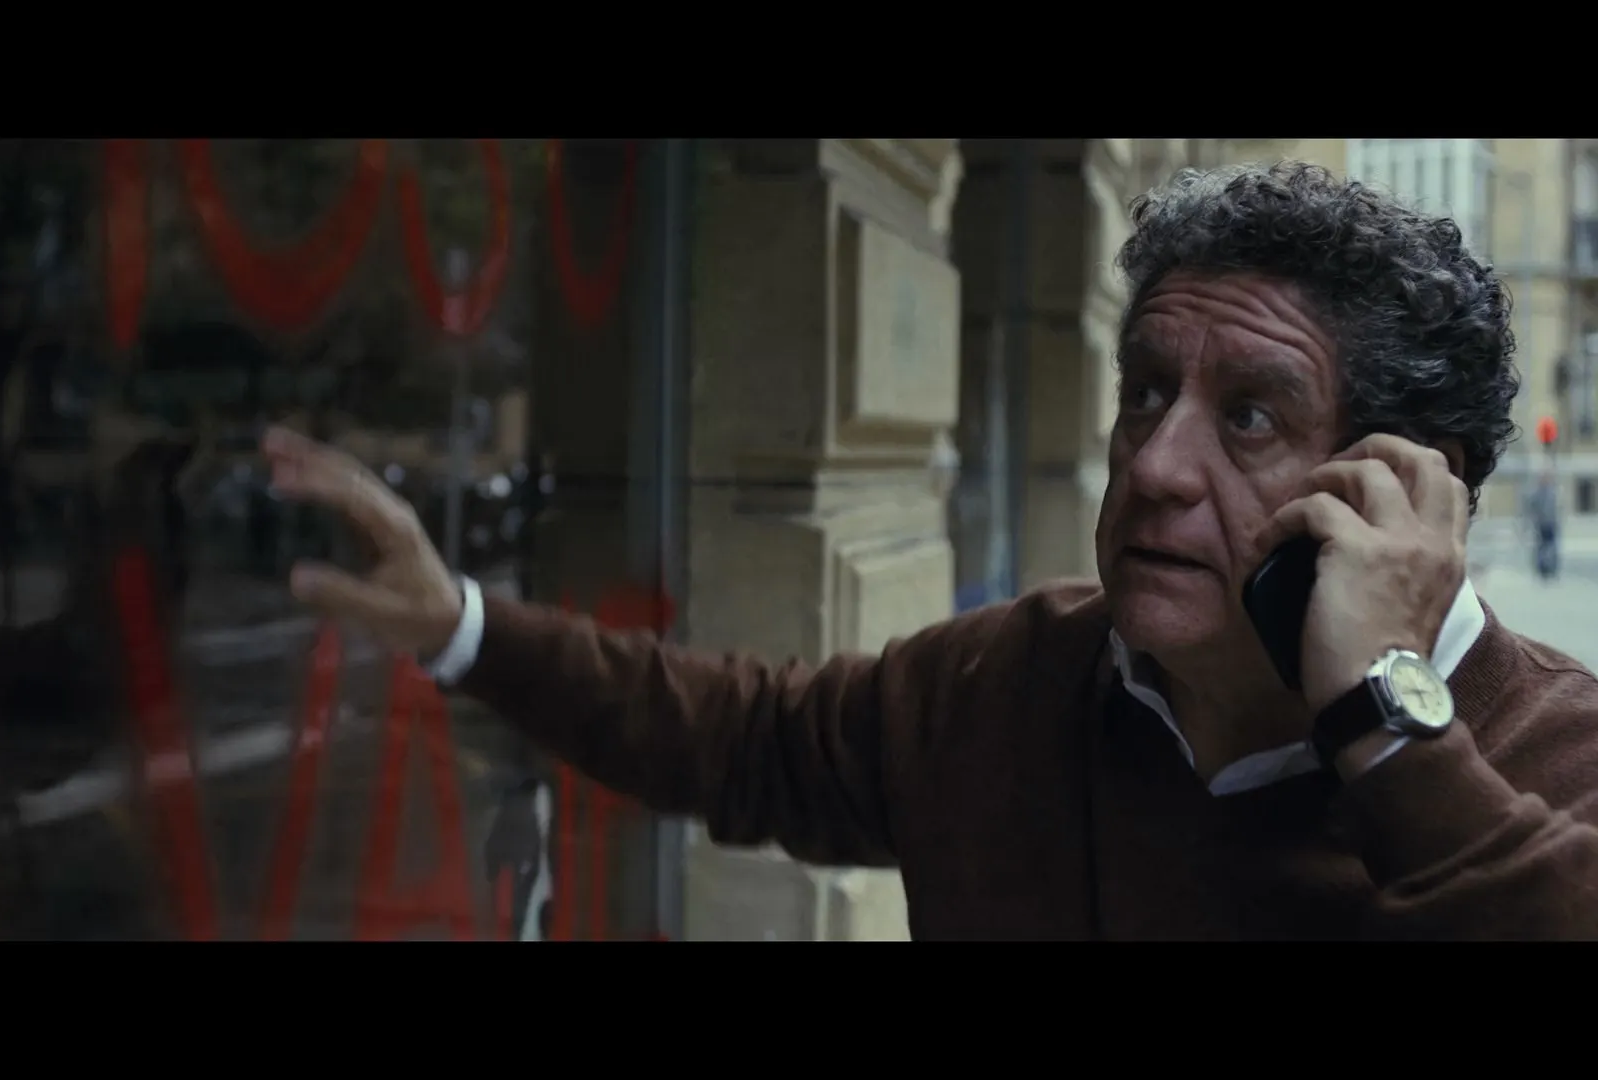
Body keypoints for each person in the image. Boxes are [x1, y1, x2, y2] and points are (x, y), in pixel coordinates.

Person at [260, 161, 1598, 940]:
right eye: (1144, 391)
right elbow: (740, 736)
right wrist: (457, 623)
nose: (1153, 463)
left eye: (1249, 415)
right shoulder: (1011, 682)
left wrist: (1385, 724)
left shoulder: (1558, 761)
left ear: (1406, 489)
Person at [1528, 469, 1560, 580]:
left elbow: (1557, 509)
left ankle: (1551, 569)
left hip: (1551, 524)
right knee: (1541, 548)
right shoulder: (1537, 494)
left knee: (1551, 547)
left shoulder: (1553, 493)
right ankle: (1542, 569)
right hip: (1541, 525)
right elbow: (1532, 508)